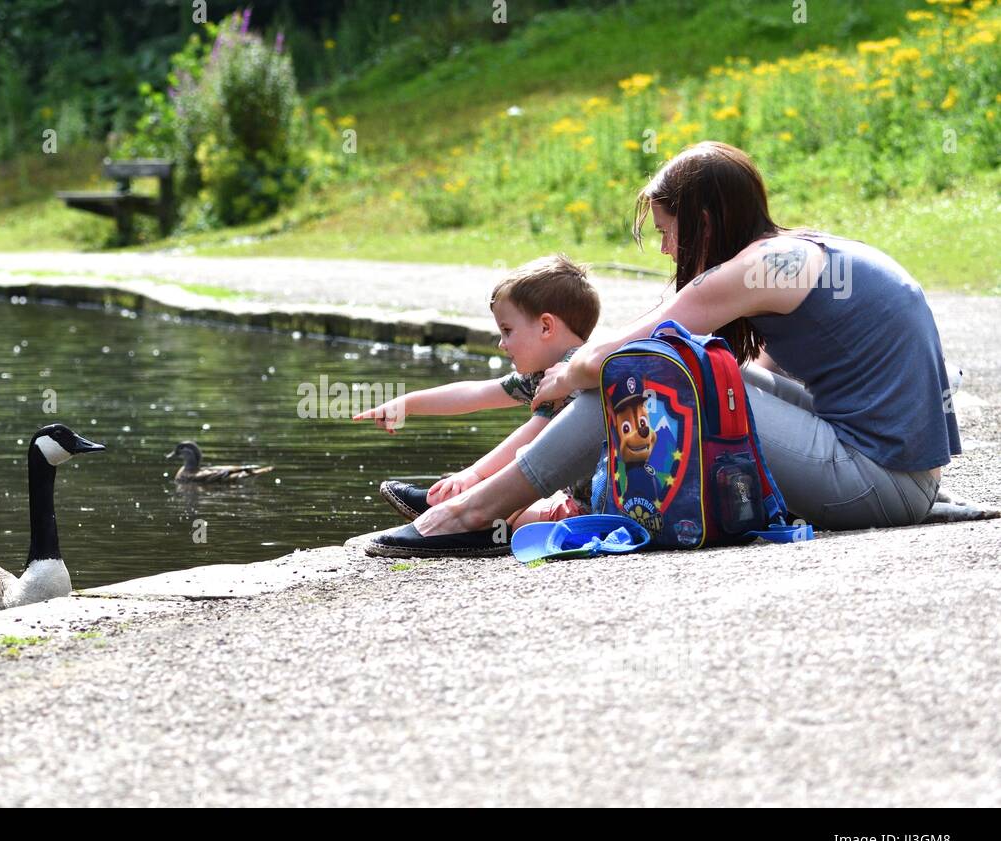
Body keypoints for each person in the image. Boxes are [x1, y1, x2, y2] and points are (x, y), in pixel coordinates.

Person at [366, 141, 961, 558]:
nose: (664, 250)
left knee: (642, 376)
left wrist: (568, 373)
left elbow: (620, 358)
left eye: (667, 232)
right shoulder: (794, 253)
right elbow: (726, 365)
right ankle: (480, 497)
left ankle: (473, 513)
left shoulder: (756, 270)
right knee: (684, 371)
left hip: (880, 484)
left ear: (703, 222)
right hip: (894, 473)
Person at [354, 254, 599, 528]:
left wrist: (474, 474)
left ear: (545, 326)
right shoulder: (542, 375)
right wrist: (407, 404)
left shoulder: (573, 372)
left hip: (592, 506)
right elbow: (474, 394)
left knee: (509, 519)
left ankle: (457, 510)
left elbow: (534, 434)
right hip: (574, 495)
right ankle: (454, 507)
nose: (501, 344)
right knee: (508, 505)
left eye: (507, 331)